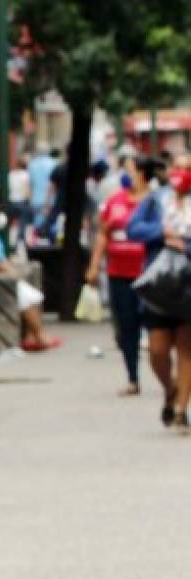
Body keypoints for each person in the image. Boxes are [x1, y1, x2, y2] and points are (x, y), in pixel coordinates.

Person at [125, 157, 191, 432]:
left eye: (186, 168)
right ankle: (170, 388)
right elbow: (132, 229)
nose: (180, 173)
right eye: (176, 167)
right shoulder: (155, 201)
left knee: (187, 347)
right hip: (159, 285)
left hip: (188, 284)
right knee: (157, 351)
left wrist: (185, 244)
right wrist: (161, 233)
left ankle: (180, 410)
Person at [0, 201, 60, 351]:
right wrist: (12, 272)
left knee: (30, 295)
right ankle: (39, 336)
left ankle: (30, 336)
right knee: (30, 297)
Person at [86, 170, 146, 396]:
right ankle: (133, 377)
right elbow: (103, 234)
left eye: (135, 171)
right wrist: (94, 265)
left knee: (157, 327)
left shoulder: (153, 202)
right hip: (118, 273)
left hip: (149, 274)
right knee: (124, 327)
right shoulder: (113, 202)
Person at [28, 144, 59, 227]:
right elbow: (55, 185)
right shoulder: (54, 164)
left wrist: (30, 199)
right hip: (50, 200)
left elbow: (30, 184)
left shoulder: (32, 164)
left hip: (36, 199)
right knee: (51, 226)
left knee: (37, 226)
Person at [9, 155, 32, 245]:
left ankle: (11, 241)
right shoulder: (25, 175)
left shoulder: (10, 175)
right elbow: (28, 190)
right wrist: (29, 202)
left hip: (11, 201)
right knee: (22, 223)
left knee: (10, 223)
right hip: (22, 201)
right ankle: (19, 241)